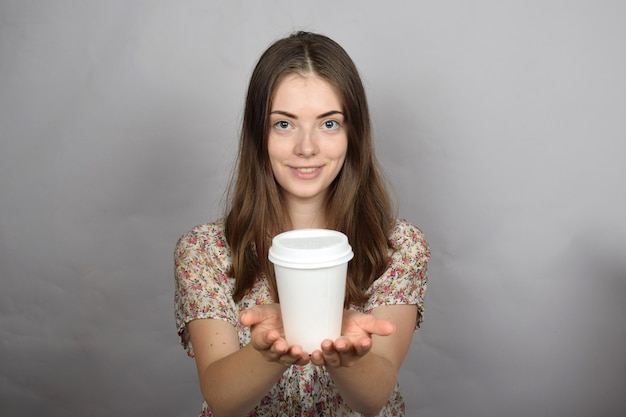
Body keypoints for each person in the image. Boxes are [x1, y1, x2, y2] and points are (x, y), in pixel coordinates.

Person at [174, 31, 429, 417]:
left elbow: (374, 396)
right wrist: (269, 350)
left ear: (352, 134)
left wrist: (347, 353)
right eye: (284, 124)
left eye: (329, 124)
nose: (306, 148)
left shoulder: (396, 247)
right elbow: (222, 399)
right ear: (258, 134)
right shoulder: (206, 251)